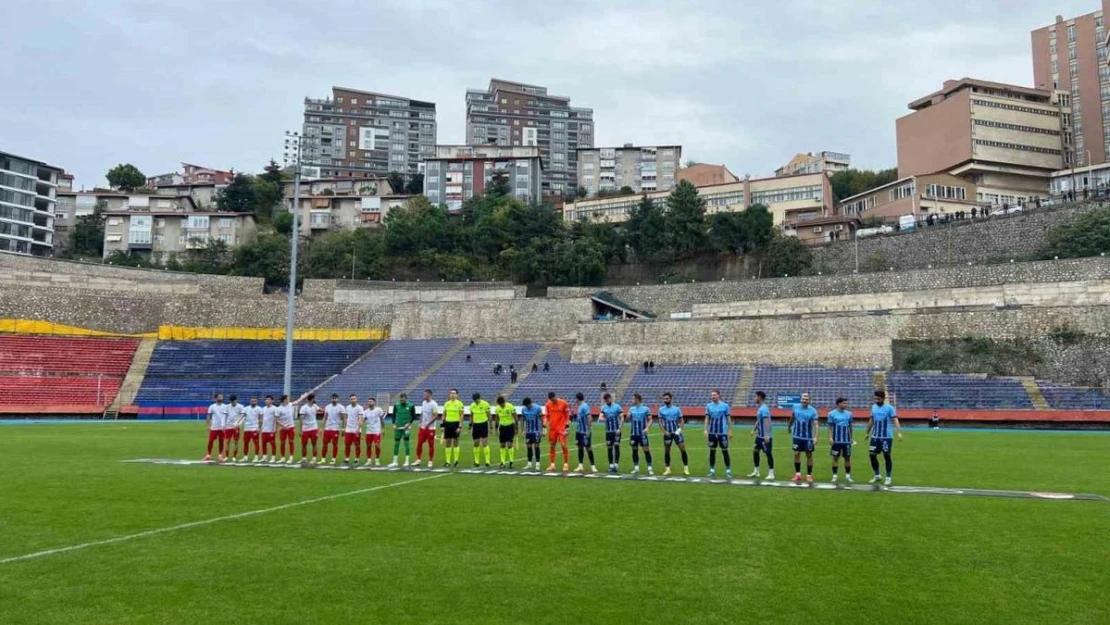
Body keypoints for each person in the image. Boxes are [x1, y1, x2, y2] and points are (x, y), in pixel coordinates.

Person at [866, 390, 903, 485]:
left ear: (883, 398)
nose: (876, 400)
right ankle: (877, 475)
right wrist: (867, 432)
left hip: (886, 437)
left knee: (887, 455)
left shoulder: (889, 408)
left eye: (878, 399)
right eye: (875, 398)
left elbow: (895, 420)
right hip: (875, 436)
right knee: (872, 455)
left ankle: (888, 477)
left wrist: (899, 432)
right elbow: (871, 420)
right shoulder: (873, 407)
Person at [789, 393, 819, 484]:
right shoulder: (795, 407)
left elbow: (816, 425)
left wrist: (815, 437)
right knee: (796, 454)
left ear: (809, 400)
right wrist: (789, 426)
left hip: (808, 437)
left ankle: (809, 475)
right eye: (803, 398)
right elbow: (793, 417)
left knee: (809, 455)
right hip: (797, 436)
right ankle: (798, 474)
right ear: (801, 399)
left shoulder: (813, 411)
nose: (804, 400)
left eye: (806, 399)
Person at [657, 392, 689, 476]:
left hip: (676, 433)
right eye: (664, 399)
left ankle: (686, 468)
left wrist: (679, 430)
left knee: (682, 449)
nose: (665, 400)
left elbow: (682, 420)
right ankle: (667, 469)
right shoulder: (661, 410)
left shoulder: (677, 409)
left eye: (667, 398)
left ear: (671, 399)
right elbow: (659, 422)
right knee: (667, 450)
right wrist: (664, 432)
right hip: (667, 433)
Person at [747, 390, 775, 480]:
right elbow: (759, 421)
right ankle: (756, 471)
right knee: (755, 451)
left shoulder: (764, 409)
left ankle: (771, 473)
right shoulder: (761, 408)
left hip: (765, 437)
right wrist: (753, 430)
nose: (754, 398)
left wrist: (767, 435)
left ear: (759, 397)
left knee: (768, 453)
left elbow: (767, 422)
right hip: (759, 436)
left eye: (755, 397)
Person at [705, 389, 732, 479]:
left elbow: (728, 419)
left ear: (719, 395)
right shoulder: (709, 406)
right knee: (712, 451)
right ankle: (712, 470)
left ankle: (728, 471)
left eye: (714, 395)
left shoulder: (725, 406)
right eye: (712, 395)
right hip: (712, 432)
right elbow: (707, 418)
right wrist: (705, 429)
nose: (712, 397)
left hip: (722, 433)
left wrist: (730, 430)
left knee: (725, 451)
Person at [826, 397, 854, 484]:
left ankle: (848, 476)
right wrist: (830, 437)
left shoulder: (849, 414)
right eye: (844, 403)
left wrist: (851, 438)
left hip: (846, 441)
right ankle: (834, 476)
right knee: (835, 458)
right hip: (836, 441)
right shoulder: (831, 414)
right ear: (838, 404)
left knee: (847, 458)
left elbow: (850, 426)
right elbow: (830, 427)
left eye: (846, 403)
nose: (846, 405)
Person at [627, 393, 654, 475]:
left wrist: (647, 428)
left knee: (646, 450)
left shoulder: (646, 409)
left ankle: (649, 468)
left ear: (637, 399)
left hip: (642, 434)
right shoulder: (631, 409)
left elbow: (650, 420)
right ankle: (636, 468)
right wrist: (628, 416)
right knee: (634, 450)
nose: (632, 400)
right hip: (633, 434)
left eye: (633, 399)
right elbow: (628, 419)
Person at [544, 391, 571, 472]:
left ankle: (566, 464)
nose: (553, 401)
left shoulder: (564, 403)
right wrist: (544, 425)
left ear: (556, 396)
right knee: (552, 446)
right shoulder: (548, 404)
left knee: (563, 445)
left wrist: (567, 426)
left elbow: (568, 416)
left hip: (562, 428)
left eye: (554, 399)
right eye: (551, 400)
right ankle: (552, 464)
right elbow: (546, 416)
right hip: (552, 428)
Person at [389, 393, 417, 468]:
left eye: (403, 399)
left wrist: (409, 424)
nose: (401, 400)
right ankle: (395, 461)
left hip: (406, 428)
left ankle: (407, 461)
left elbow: (414, 416)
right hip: (398, 427)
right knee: (396, 444)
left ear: (406, 398)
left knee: (406, 444)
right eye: (400, 399)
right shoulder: (396, 405)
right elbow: (394, 415)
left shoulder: (411, 405)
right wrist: (394, 424)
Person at [573, 392, 597, 472]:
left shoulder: (584, 406)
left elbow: (589, 418)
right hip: (579, 431)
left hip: (584, 432)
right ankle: (580, 465)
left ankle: (593, 466)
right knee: (580, 447)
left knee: (588, 447)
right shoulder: (579, 407)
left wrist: (588, 430)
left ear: (577, 398)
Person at [599, 393, 623, 473]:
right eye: (605, 400)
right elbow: (600, 417)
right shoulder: (604, 407)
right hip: (608, 431)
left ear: (610, 398)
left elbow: (622, 418)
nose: (606, 401)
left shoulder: (617, 407)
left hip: (616, 431)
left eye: (607, 399)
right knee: (609, 448)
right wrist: (604, 419)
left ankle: (616, 465)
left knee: (616, 446)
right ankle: (611, 465)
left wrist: (619, 428)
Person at [414, 390, 439, 467]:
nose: (423, 396)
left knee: (431, 444)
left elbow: (435, 416)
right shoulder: (423, 402)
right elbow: (422, 412)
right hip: (423, 427)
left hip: (431, 428)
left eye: (425, 394)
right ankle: (418, 460)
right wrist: (420, 421)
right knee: (419, 443)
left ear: (429, 395)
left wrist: (428, 424)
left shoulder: (434, 404)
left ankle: (430, 461)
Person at [442, 389, 465, 467]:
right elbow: (444, 415)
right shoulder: (446, 404)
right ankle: (448, 461)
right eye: (451, 393)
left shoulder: (460, 404)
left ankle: (456, 461)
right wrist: (442, 425)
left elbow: (462, 415)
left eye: (454, 393)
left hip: (456, 424)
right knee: (448, 442)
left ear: (457, 395)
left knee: (455, 442)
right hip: (448, 424)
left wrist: (460, 426)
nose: (452, 395)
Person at [469, 392, 492, 468]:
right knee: (476, 443)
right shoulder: (472, 405)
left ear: (480, 398)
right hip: (476, 425)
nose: (476, 401)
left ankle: (487, 461)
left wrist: (491, 426)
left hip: (483, 424)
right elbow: (471, 416)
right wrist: (470, 425)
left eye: (477, 400)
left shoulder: (485, 404)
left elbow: (489, 415)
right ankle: (476, 462)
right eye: (474, 400)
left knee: (484, 442)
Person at [322, 394, 346, 465]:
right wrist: (321, 427)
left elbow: (344, 418)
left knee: (334, 444)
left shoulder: (341, 407)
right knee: (325, 444)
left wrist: (343, 428)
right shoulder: (327, 407)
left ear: (338, 399)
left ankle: (333, 458)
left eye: (335, 398)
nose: (334, 399)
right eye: (333, 398)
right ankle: (323, 458)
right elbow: (325, 417)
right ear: (330, 399)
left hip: (335, 428)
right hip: (327, 428)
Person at [520, 397, 544, 470]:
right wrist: (522, 430)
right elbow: (522, 420)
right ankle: (529, 464)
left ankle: (537, 464)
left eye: (528, 405)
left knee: (536, 446)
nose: (527, 407)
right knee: (529, 447)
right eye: (526, 406)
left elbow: (541, 419)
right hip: (528, 431)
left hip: (536, 431)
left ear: (531, 403)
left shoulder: (538, 408)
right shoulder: (523, 409)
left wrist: (543, 429)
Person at [494, 395, 517, 469]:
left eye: (502, 404)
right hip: (502, 427)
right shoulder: (497, 408)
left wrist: (516, 427)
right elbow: (497, 418)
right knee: (502, 445)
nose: (501, 406)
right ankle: (502, 462)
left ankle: (511, 462)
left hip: (510, 426)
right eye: (500, 405)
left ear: (504, 402)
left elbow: (515, 416)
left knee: (510, 444)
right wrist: (496, 428)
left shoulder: (510, 406)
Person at [203, 392, 228, 462]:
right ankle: (208, 455)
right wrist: (208, 425)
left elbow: (225, 416)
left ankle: (220, 455)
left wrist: (224, 425)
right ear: (216, 398)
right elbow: (208, 416)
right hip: (214, 427)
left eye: (221, 397)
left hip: (222, 427)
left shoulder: (225, 406)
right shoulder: (212, 406)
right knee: (211, 441)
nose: (220, 398)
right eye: (219, 397)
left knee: (221, 441)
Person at [342, 394, 364, 467]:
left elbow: (360, 418)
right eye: (351, 399)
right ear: (350, 400)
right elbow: (345, 418)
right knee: (347, 444)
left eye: (354, 399)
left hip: (356, 429)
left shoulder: (360, 408)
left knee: (357, 445)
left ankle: (356, 459)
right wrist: (344, 428)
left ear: (356, 399)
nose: (353, 400)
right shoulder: (347, 407)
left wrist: (358, 428)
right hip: (348, 429)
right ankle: (347, 459)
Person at [299, 394, 321, 464]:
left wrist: (325, 410)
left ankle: (314, 458)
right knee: (304, 444)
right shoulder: (304, 408)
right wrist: (300, 430)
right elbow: (301, 419)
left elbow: (321, 410)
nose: (315, 400)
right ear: (312, 399)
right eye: (314, 399)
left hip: (314, 428)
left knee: (314, 444)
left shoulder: (315, 406)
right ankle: (304, 458)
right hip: (305, 428)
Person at [363, 397, 385, 466]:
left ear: (374, 402)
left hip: (376, 431)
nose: (369, 403)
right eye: (369, 401)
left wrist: (383, 428)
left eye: (371, 401)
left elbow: (382, 420)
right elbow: (363, 420)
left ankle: (377, 460)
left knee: (377, 445)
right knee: (368, 446)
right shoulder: (366, 412)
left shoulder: (378, 410)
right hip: (369, 431)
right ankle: (369, 460)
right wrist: (359, 424)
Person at [242, 397, 263, 462]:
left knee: (256, 443)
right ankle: (245, 457)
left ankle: (256, 457)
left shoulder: (259, 409)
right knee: (246, 443)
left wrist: (259, 427)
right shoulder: (246, 409)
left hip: (255, 428)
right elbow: (243, 417)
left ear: (257, 402)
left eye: (255, 401)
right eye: (252, 401)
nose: (253, 402)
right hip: (247, 428)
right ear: (250, 401)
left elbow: (261, 419)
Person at [276, 394, 296, 463]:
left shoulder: (290, 405)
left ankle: (291, 457)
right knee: (282, 442)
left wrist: (303, 396)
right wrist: (283, 426)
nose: (289, 399)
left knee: (291, 441)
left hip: (291, 427)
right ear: (284, 400)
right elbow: (277, 420)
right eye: (288, 398)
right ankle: (283, 457)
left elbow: (298, 401)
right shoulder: (279, 409)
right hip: (283, 428)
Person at [225, 395, 244, 461]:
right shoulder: (227, 407)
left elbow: (242, 416)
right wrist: (223, 425)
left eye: (233, 401)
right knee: (227, 441)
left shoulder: (240, 407)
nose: (232, 402)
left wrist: (239, 424)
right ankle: (226, 456)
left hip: (236, 426)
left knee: (236, 442)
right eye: (231, 401)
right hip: (228, 426)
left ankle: (234, 456)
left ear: (236, 400)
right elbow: (225, 416)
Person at [260, 395, 278, 463]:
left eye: (269, 399)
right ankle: (264, 457)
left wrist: (275, 428)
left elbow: (276, 419)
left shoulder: (275, 409)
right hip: (264, 429)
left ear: (272, 401)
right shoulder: (263, 408)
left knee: (272, 444)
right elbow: (262, 419)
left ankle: (273, 458)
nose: (267, 400)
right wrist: (260, 427)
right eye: (266, 399)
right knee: (263, 444)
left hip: (271, 430)